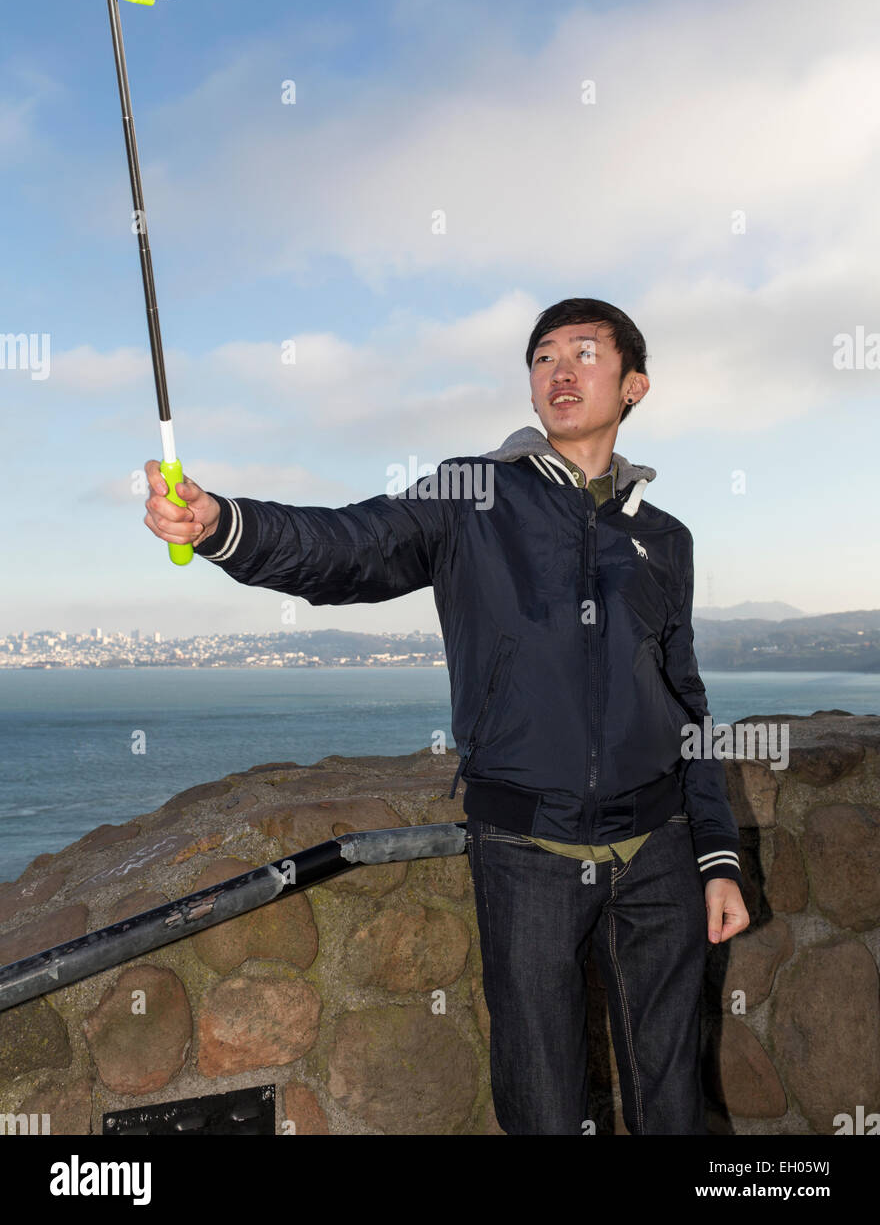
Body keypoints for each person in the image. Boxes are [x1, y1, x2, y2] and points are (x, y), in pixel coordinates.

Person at [143, 296, 749, 1135]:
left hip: (659, 853)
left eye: (583, 352)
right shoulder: (473, 494)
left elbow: (687, 699)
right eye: (542, 358)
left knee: (671, 1098)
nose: (559, 371)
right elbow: (350, 546)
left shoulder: (665, 537)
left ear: (634, 383)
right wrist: (224, 526)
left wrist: (716, 855)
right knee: (540, 1099)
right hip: (525, 850)